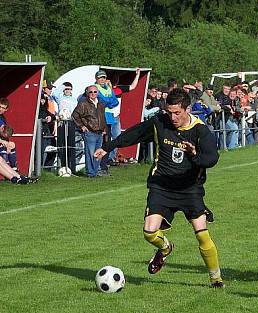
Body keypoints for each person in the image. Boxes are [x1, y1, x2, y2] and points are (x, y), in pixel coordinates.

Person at [94, 88, 224, 288]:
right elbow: (134, 133)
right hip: (161, 186)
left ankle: (216, 279)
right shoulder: (159, 123)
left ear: (187, 109)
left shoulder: (200, 131)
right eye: (169, 112)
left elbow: (211, 158)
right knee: (149, 231)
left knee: (202, 234)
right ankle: (165, 249)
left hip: (190, 189)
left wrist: (194, 155)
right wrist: (108, 147)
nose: (172, 117)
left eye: (177, 113)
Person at [71, 85, 107, 178]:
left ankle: (95, 172)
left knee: (98, 153)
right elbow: (74, 115)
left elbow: (103, 117)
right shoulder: (83, 103)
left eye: (95, 92)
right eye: (91, 92)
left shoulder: (101, 103)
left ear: (98, 93)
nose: (93, 94)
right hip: (90, 132)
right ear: (87, 93)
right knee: (90, 154)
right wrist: (81, 126)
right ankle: (91, 173)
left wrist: (104, 129)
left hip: (100, 132)